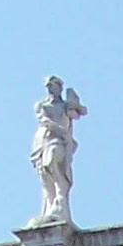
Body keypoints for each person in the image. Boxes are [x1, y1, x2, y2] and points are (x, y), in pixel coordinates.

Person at [29, 76, 87, 226]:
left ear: (60, 87)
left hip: (60, 141)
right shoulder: (41, 105)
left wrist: (74, 103)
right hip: (43, 140)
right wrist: (60, 129)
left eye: (53, 85)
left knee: (52, 163)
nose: (50, 88)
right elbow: (44, 120)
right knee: (45, 174)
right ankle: (51, 207)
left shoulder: (66, 106)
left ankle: (61, 203)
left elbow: (81, 112)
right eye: (48, 86)